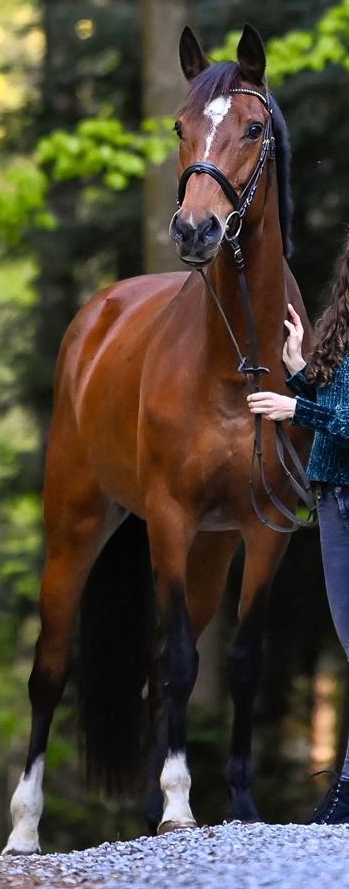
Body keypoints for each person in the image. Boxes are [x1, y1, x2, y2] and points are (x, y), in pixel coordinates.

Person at [247, 234, 349, 824]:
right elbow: (336, 403)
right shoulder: (340, 321)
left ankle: (343, 799)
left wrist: (296, 410)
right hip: (333, 503)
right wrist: (298, 374)